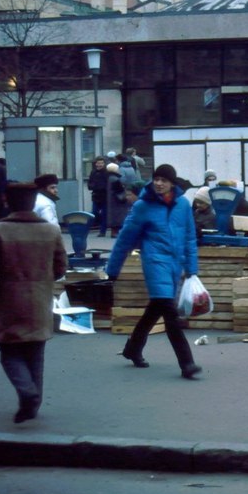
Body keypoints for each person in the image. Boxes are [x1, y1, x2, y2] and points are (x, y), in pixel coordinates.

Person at [104, 164, 202, 379]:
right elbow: (125, 239)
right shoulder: (143, 206)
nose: (158, 183)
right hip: (155, 261)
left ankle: (132, 349)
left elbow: (189, 238)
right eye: (156, 179)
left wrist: (192, 269)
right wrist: (112, 270)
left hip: (175, 264)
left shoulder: (183, 205)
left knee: (156, 308)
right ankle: (187, 363)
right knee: (169, 312)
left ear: (172, 183)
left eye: (164, 180)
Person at [0, 182, 68, 423]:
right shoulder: (50, 231)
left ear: (8, 202)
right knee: (35, 353)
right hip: (40, 301)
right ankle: (32, 404)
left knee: (9, 351)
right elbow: (61, 268)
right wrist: (42, 281)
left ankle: (27, 393)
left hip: (8, 300)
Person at [88, 156, 110, 236]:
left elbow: (107, 184)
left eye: (101, 163)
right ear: (95, 164)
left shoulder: (107, 173)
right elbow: (90, 183)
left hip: (104, 196)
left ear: (104, 164)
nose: (99, 165)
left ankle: (102, 231)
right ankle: (88, 228)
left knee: (104, 214)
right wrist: (92, 186)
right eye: (98, 163)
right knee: (94, 213)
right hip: (96, 195)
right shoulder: (93, 172)